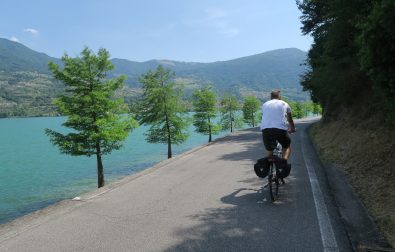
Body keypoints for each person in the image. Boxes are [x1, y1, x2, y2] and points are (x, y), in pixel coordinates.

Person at [260, 90, 296, 165]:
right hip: (280, 130)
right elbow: (290, 119)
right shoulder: (284, 104)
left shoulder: (265, 104)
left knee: (269, 150)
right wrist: (292, 128)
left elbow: (265, 116)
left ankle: (269, 168)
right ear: (279, 96)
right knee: (286, 146)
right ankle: (284, 161)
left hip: (266, 130)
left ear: (271, 97)